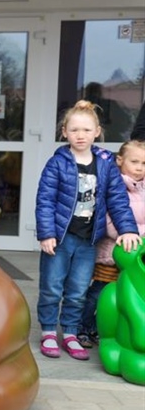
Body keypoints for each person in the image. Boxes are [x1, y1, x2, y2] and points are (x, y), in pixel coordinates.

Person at [35, 100, 141, 360]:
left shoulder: (105, 164)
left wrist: (128, 229)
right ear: (64, 132)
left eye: (85, 130)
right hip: (60, 238)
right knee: (51, 287)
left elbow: (118, 200)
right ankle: (49, 331)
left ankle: (70, 332)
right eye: (74, 130)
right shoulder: (57, 163)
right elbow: (45, 200)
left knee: (79, 289)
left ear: (97, 132)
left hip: (88, 241)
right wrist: (46, 233)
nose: (80, 135)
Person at [77, 139, 145, 348]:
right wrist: (136, 236)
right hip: (111, 255)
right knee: (100, 292)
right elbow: (109, 222)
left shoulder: (142, 189)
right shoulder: (114, 186)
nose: (139, 168)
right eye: (135, 162)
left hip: (134, 258)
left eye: (144, 164)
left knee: (124, 295)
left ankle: (105, 328)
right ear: (120, 160)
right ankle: (82, 327)